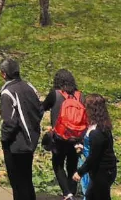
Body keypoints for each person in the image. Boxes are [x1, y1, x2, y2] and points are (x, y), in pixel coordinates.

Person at [0, 58, 43, 200]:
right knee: (27, 179)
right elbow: (40, 110)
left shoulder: (8, 93)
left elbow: (10, 123)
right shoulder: (30, 87)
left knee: (17, 183)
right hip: (31, 139)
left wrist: (4, 139)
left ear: (4, 74)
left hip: (15, 145)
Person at [41, 69, 87, 200]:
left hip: (60, 138)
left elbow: (42, 107)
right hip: (77, 137)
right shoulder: (80, 96)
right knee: (72, 165)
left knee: (58, 164)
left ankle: (67, 194)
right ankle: (72, 191)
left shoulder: (55, 94)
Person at [75, 93, 117, 200]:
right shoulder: (104, 126)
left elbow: (94, 156)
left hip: (102, 172)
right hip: (105, 170)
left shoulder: (96, 132)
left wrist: (80, 172)